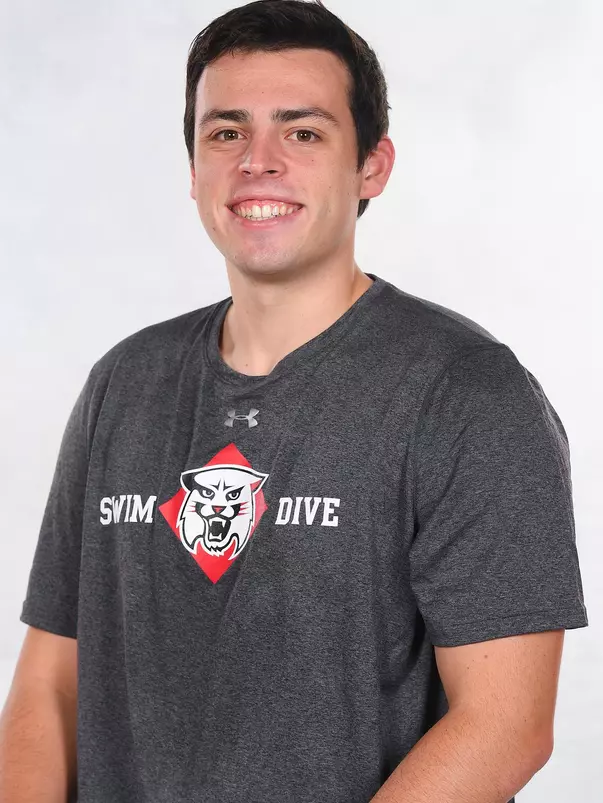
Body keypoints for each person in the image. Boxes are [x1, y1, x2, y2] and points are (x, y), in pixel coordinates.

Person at [0, 1, 588, 802]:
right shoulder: (123, 383)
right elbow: (48, 686)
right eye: (226, 132)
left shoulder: (468, 393)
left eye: (303, 132)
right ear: (194, 168)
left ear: (371, 166)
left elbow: (505, 724)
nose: (258, 161)